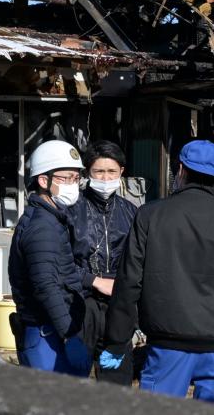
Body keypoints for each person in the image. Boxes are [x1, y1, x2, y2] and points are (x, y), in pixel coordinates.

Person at [101, 140, 214, 408]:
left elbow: (129, 283)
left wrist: (116, 342)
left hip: (167, 345)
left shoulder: (150, 216)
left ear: (180, 170)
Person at [7, 140, 92, 376]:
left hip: (51, 332)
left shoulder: (51, 218)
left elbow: (62, 272)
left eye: (76, 178)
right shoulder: (42, 228)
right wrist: (70, 335)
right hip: (48, 336)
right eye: (66, 178)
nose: (73, 185)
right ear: (44, 181)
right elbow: (46, 286)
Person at [67, 140, 138, 385]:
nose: (105, 178)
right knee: (72, 380)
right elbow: (60, 262)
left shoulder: (132, 212)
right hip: (79, 305)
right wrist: (93, 280)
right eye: (99, 171)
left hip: (118, 309)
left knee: (116, 382)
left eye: (111, 172)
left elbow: (139, 262)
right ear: (87, 173)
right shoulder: (71, 209)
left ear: (121, 173)